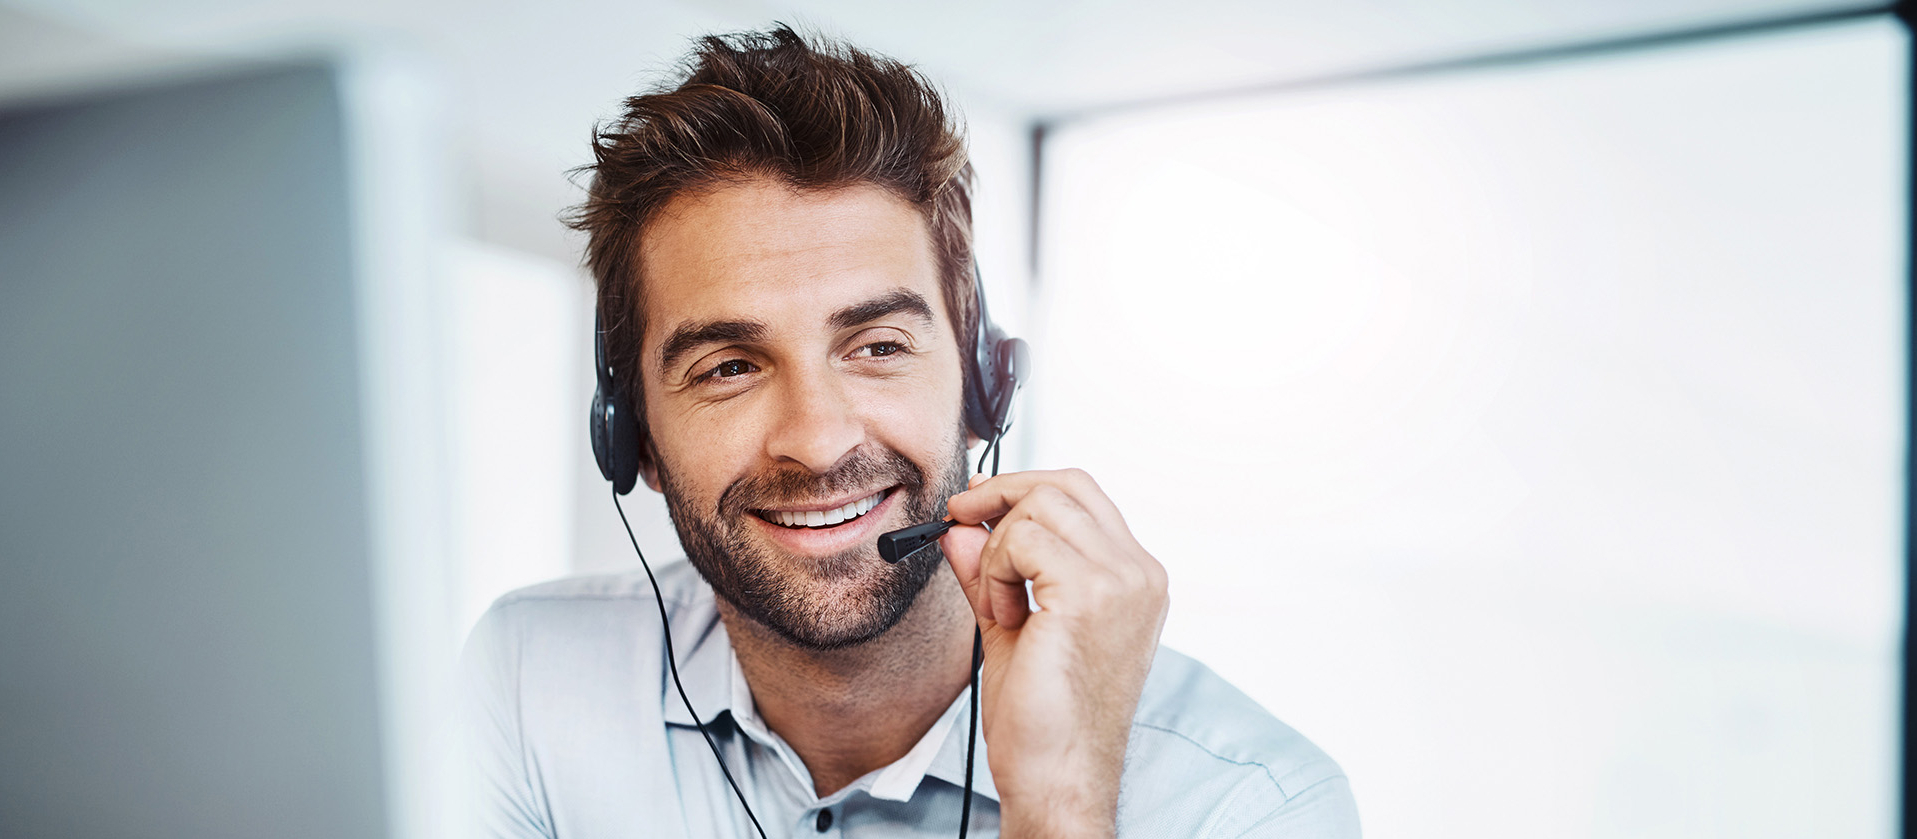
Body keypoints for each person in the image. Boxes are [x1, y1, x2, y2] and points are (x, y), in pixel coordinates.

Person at [462, 25, 1360, 839]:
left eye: (876, 345)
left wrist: (1058, 806)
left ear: (982, 383)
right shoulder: (527, 681)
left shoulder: (1251, 803)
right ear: (632, 439)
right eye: (728, 366)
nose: (816, 441)